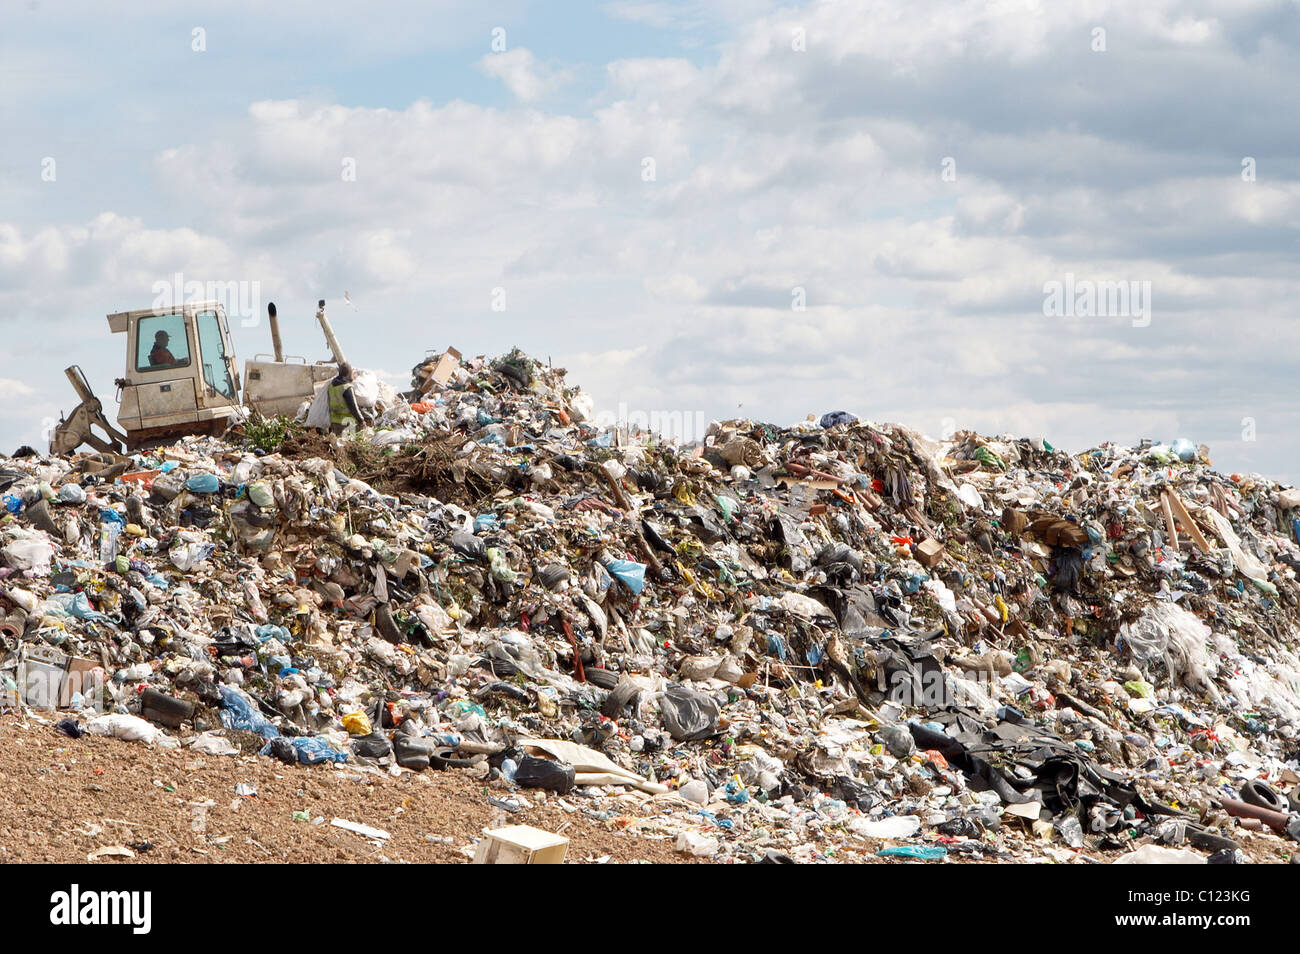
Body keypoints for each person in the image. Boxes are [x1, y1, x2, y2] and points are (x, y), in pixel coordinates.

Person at [328, 362, 363, 435]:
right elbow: (353, 408)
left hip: (334, 422)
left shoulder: (331, 386)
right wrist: (361, 421)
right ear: (349, 373)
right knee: (347, 444)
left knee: (336, 443)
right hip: (346, 423)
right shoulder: (347, 388)